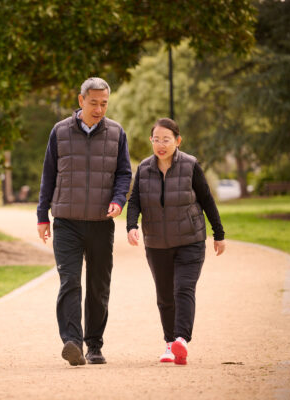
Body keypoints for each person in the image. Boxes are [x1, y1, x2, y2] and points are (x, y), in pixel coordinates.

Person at [37, 77, 132, 366]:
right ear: (81, 101)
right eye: (94, 103)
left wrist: (118, 200)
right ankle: (72, 342)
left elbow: (124, 174)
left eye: (104, 103)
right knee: (69, 282)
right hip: (67, 222)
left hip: (101, 223)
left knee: (98, 285)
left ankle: (94, 345)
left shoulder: (116, 133)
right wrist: (43, 216)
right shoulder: (60, 131)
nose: (99, 109)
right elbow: (49, 175)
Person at [126, 117, 226, 365]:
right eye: (156, 139)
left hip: (190, 241)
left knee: (183, 288)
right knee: (164, 296)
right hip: (157, 244)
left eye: (166, 140)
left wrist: (219, 233)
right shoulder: (144, 168)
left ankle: (181, 339)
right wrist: (131, 226)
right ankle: (170, 345)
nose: (161, 144)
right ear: (151, 141)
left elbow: (207, 199)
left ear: (177, 141)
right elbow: (135, 200)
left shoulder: (191, 166)